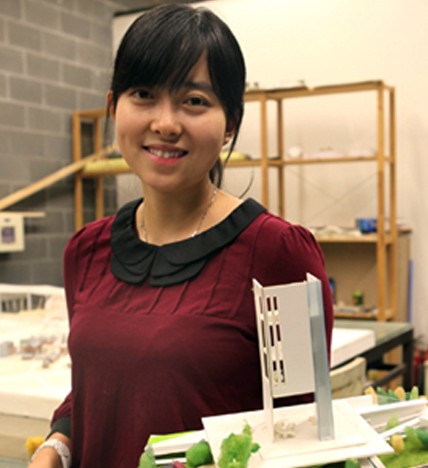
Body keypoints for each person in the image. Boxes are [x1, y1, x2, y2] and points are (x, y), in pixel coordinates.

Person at [29, 4, 333, 468]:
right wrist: (58, 445)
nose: (166, 123)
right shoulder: (86, 251)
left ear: (230, 124)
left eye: (194, 100)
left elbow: (305, 430)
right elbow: (95, 388)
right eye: (144, 94)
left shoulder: (279, 255)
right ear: (113, 107)